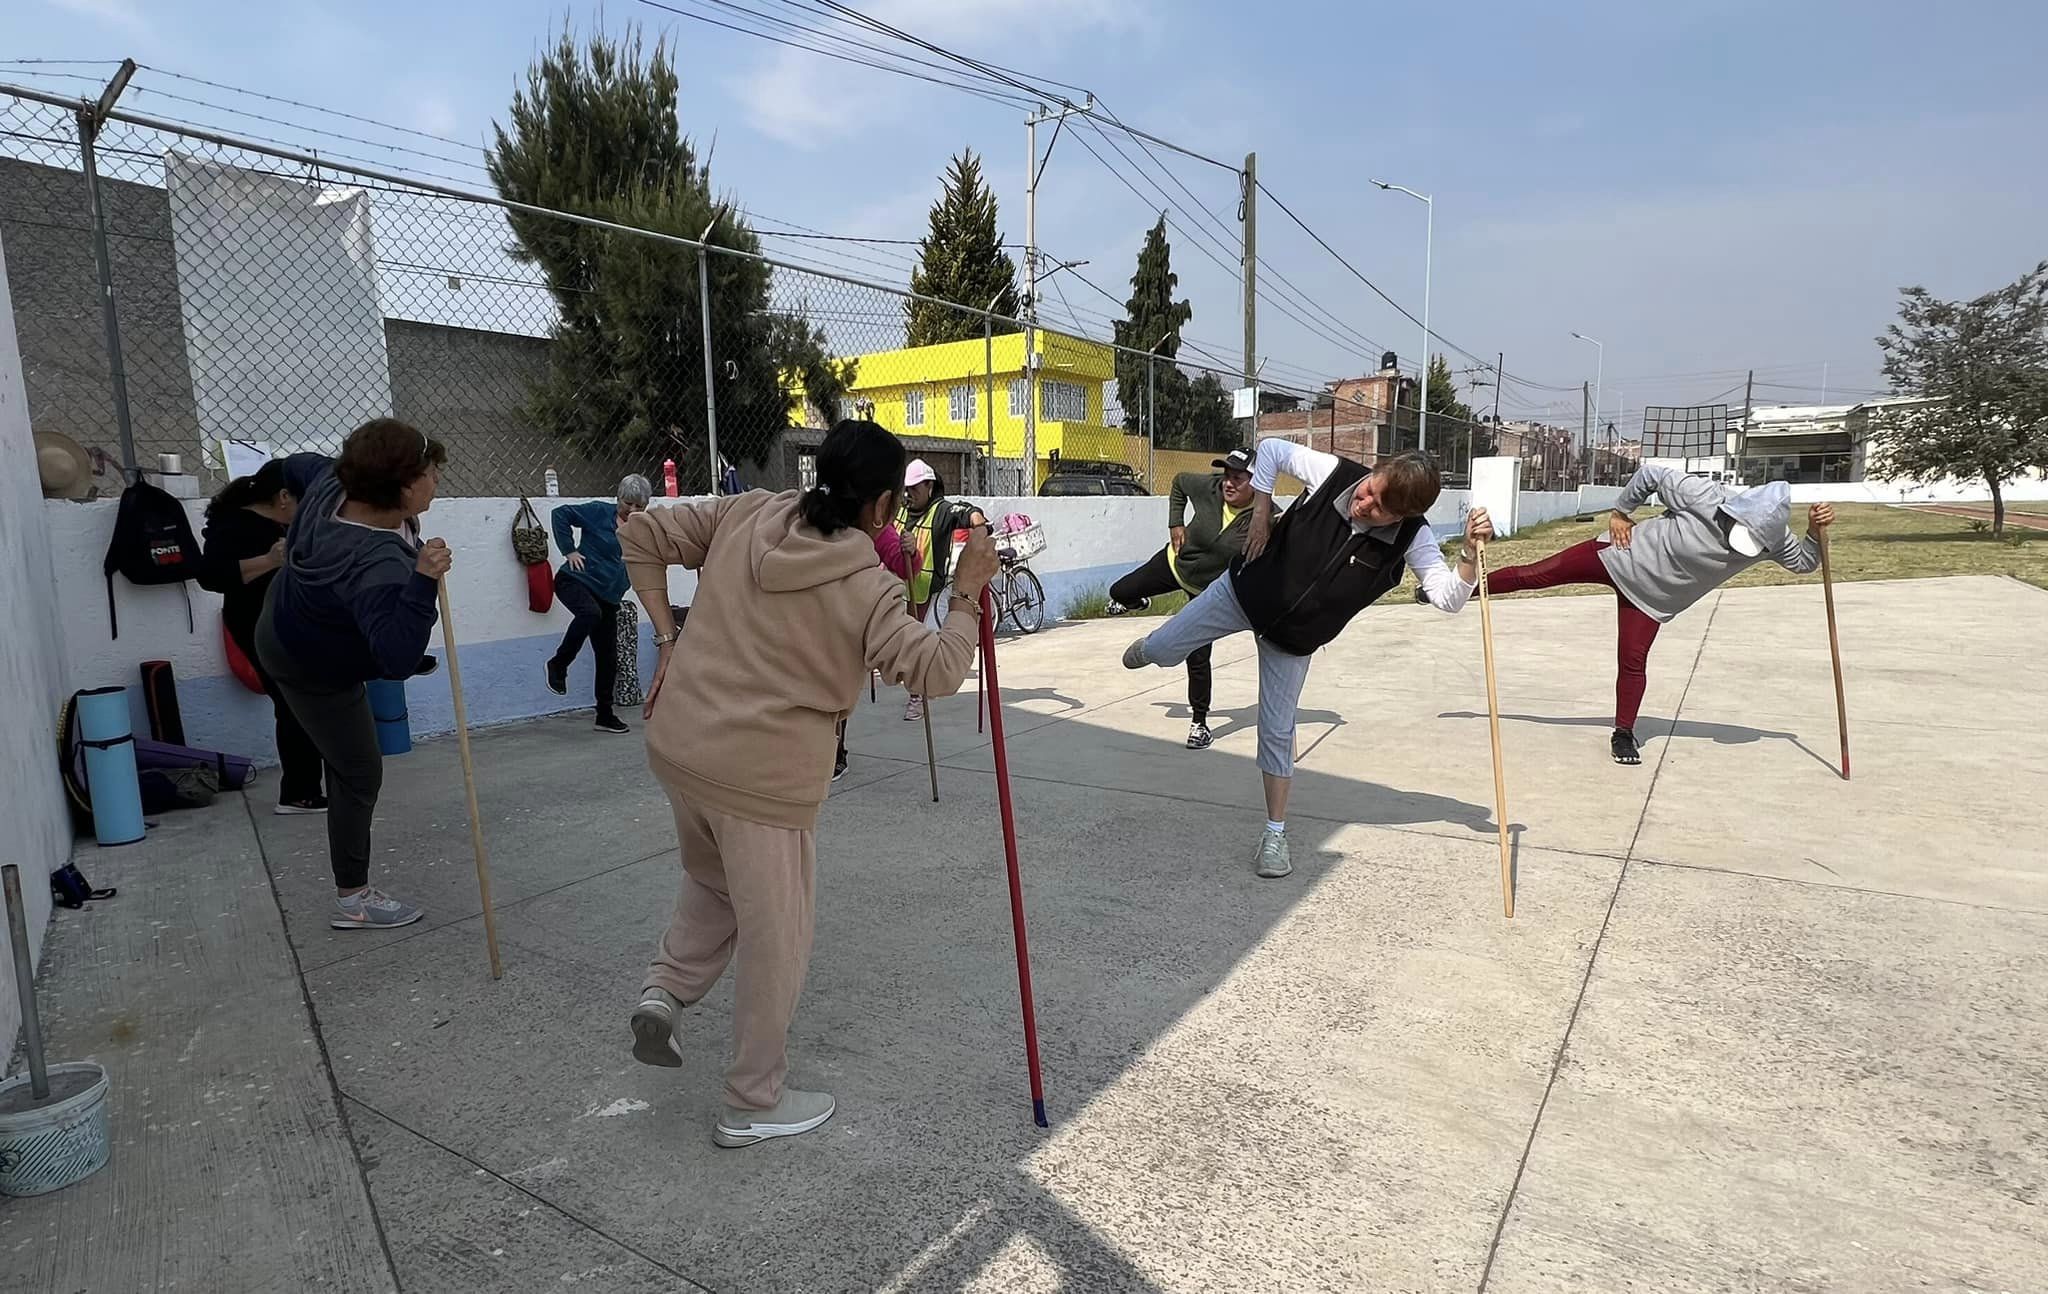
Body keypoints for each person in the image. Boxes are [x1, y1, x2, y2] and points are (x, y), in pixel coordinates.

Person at [621, 420, 997, 1148]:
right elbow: (940, 670)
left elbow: (639, 533)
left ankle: (665, 991)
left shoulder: (748, 511)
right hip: (761, 779)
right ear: (886, 507)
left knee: (712, 883)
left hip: (678, 746)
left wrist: (667, 639)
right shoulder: (867, 588)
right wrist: (966, 593)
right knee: (777, 937)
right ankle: (751, 1099)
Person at [1122, 440, 1493, 879]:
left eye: (1378, 507)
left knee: (1277, 733)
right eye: (1370, 488)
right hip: (1241, 594)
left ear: (1402, 515)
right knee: (1164, 650)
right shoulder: (1333, 474)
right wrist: (1261, 509)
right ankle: (1151, 647)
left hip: (1293, 641)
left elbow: (1448, 599)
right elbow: (1273, 449)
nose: (1364, 502)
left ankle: (1274, 835)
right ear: (1374, 471)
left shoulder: (1413, 538)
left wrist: (1469, 555)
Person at [1486, 471, 1834, 765]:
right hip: (1617, 555)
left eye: (1755, 543)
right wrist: (1622, 512)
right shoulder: (1704, 496)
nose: (1745, 546)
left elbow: (1804, 563)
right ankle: (1466, 588)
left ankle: (1623, 733)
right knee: (1533, 575)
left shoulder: (1774, 541)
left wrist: (1814, 534)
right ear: (1736, 512)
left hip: (1650, 599)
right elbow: (1651, 473)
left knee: (1633, 661)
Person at [256, 418, 450, 931]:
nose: (437, 482)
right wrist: (424, 580)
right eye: (432, 474)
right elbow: (396, 659)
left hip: (287, 619)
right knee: (359, 770)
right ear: (407, 486)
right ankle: (354, 899)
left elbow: (289, 467)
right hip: (310, 663)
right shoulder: (376, 562)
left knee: (352, 761)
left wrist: (273, 509)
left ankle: (353, 891)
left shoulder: (334, 481)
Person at [1106, 448, 1257, 750]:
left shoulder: (1266, 516)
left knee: (1197, 656)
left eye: (1237, 478)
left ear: (1257, 481)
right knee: (1119, 592)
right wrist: (1175, 521)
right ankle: (1140, 603)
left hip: (1207, 593)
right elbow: (1178, 482)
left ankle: (1199, 723)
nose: (1228, 483)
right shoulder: (1210, 487)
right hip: (1174, 564)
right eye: (1227, 475)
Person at [199, 457, 326, 814]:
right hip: (257, 624)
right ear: (284, 496)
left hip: (290, 622)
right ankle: (299, 793)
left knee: (305, 700)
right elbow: (210, 576)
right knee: (293, 702)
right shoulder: (234, 525)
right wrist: (269, 561)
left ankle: (307, 787)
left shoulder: (285, 524)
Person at [545, 474, 653, 735]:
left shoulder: (643, 529)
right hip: (575, 581)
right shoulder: (598, 512)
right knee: (589, 613)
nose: (633, 510)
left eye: (640, 506)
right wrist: (569, 550)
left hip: (609, 597)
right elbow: (561, 514)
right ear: (618, 499)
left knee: (608, 657)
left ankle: (604, 715)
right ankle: (558, 664)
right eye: (628, 503)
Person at [895, 460, 986, 722]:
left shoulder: (942, 511)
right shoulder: (901, 511)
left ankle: (917, 696)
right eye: (906, 489)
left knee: (920, 647)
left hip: (928, 594)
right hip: (900, 591)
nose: (909, 494)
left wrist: (979, 528)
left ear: (929, 485)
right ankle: (917, 688)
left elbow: (969, 513)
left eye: (914, 488)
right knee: (905, 647)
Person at [834, 518, 913, 782]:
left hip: (851, 620)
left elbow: (902, 564)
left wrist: (909, 551)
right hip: (814, 616)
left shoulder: (874, 524)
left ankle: (836, 754)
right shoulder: (817, 515)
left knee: (836, 689)